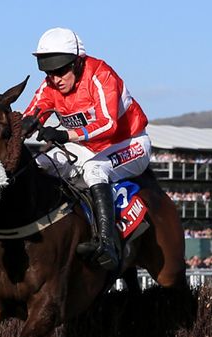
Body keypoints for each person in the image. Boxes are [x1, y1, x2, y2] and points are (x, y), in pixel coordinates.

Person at [22, 28, 152, 271]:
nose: (55, 78)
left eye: (61, 70)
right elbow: (33, 112)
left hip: (129, 142)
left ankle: (107, 245)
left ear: (78, 62)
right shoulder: (51, 84)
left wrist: (64, 134)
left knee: (94, 170)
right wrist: (26, 124)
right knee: (39, 164)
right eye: (49, 72)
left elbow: (109, 124)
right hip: (88, 146)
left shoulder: (101, 76)